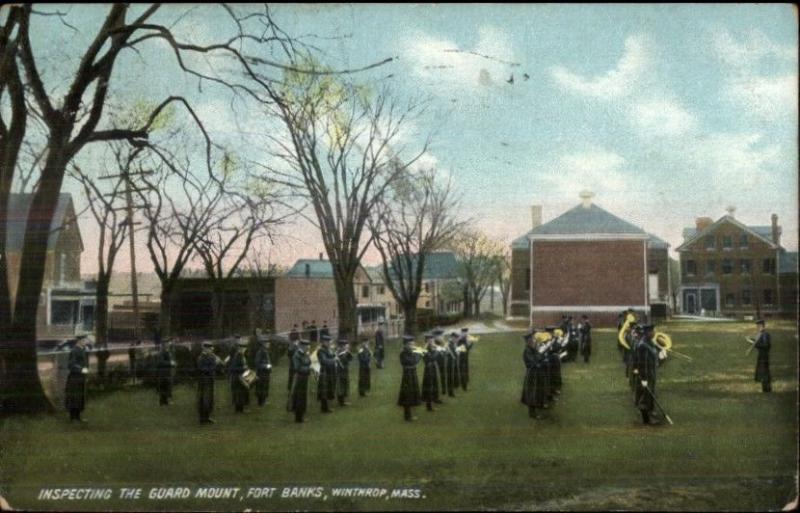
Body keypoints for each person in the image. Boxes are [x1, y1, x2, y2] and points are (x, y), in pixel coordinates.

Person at [632, 324, 659, 425]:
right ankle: (647, 420)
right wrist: (643, 378)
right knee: (646, 397)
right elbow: (641, 363)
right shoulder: (643, 345)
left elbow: (653, 358)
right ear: (648, 333)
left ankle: (650, 416)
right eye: (652, 331)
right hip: (646, 375)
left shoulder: (650, 343)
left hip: (651, 374)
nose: (654, 333)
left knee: (650, 396)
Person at [521, 330, 546, 419]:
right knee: (532, 393)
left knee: (538, 391)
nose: (534, 341)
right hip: (532, 374)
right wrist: (539, 357)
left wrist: (540, 353)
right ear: (528, 341)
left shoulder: (533, 349)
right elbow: (533, 362)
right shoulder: (527, 351)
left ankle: (539, 405)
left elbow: (540, 357)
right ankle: (532, 413)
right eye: (532, 340)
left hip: (537, 373)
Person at [65, 336, 90, 422]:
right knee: (74, 397)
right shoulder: (75, 351)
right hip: (75, 377)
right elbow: (71, 365)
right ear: (79, 341)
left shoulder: (82, 350)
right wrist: (81, 369)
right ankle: (73, 417)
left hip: (81, 377)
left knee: (79, 397)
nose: (86, 342)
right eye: (84, 340)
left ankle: (78, 416)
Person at [397, 335, 422, 421]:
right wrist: (419, 354)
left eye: (412, 344)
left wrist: (417, 353)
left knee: (412, 394)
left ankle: (409, 415)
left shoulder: (411, 352)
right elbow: (412, 361)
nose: (412, 346)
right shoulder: (403, 353)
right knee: (407, 395)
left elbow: (414, 360)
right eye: (411, 344)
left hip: (412, 374)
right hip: (408, 375)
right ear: (406, 345)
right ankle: (407, 416)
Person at [197, 341, 221, 424]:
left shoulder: (210, 356)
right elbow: (202, 369)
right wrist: (215, 363)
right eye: (210, 349)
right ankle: (203, 418)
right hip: (205, 381)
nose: (211, 350)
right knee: (205, 399)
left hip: (209, 380)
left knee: (209, 399)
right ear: (205, 349)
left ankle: (207, 417)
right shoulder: (201, 357)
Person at [290, 340, 312, 423]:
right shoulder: (297, 355)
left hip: (305, 377)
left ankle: (301, 415)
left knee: (303, 397)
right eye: (307, 346)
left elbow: (308, 362)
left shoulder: (305, 354)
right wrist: (308, 368)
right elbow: (298, 368)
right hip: (299, 378)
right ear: (302, 346)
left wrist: (308, 357)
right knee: (299, 397)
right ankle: (298, 417)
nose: (308, 348)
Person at [228, 337, 251, 413]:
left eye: (244, 348)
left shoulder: (241, 355)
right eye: (242, 348)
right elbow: (233, 368)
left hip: (240, 376)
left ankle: (239, 409)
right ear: (240, 348)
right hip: (237, 377)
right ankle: (239, 409)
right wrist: (243, 368)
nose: (244, 349)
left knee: (241, 393)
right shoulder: (238, 356)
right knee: (239, 393)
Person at [420, 333, 440, 412]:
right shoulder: (425, 350)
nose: (432, 341)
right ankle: (429, 405)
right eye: (430, 340)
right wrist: (436, 350)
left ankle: (435, 399)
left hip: (432, 368)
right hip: (429, 369)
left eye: (432, 339)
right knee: (429, 386)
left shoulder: (430, 348)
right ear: (427, 341)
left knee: (434, 384)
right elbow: (432, 357)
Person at [317, 335, 336, 413]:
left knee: (329, 388)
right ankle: (324, 408)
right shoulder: (321, 350)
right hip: (324, 371)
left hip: (330, 371)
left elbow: (331, 355)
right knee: (324, 389)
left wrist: (334, 354)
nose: (328, 343)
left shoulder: (328, 349)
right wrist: (333, 360)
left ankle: (327, 406)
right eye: (327, 342)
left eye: (329, 341)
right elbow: (324, 361)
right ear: (323, 342)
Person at [752, 319, 772, 393]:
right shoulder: (761, 334)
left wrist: (756, 344)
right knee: (762, 372)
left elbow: (766, 345)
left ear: (762, 326)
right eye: (757, 326)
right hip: (761, 355)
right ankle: (765, 388)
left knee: (765, 372)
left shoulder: (765, 334)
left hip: (764, 356)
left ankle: (767, 389)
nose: (757, 327)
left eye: (759, 326)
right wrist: (753, 341)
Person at [254, 329, 272, 406]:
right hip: (261, 373)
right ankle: (261, 402)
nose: (269, 344)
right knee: (261, 387)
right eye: (267, 343)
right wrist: (266, 366)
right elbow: (257, 363)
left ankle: (263, 401)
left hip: (265, 373)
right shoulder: (260, 352)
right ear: (263, 344)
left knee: (265, 387)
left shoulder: (265, 351)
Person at [156, 338, 177, 405]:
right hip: (163, 373)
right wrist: (170, 363)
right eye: (166, 343)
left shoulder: (167, 351)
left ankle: (165, 401)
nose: (168, 344)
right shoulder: (161, 352)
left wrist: (173, 363)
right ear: (163, 344)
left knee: (167, 386)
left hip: (167, 372)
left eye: (168, 343)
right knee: (164, 387)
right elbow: (160, 362)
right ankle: (163, 401)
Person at [335, 339, 353, 406]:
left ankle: (343, 401)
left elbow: (351, 358)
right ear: (341, 346)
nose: (345, 347)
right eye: (344, 346)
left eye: (345, 345)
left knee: (345, 385)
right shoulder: (338, 353)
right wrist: (345, 354)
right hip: (340, 371)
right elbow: (342, 360)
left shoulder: (345, 352)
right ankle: (341, 401)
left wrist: (348, 353)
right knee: (340, 386)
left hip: (345, 370)